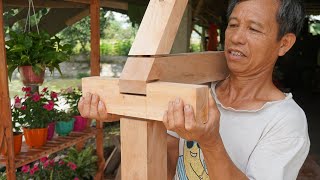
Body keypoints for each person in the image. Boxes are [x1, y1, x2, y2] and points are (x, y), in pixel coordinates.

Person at [78, 0, 310, 179]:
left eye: (254, 29)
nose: (237, 37)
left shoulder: (286, 121)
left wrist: (209, 141)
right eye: (233, 25)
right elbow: (167, 164)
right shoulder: (196, 92)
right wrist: (131, 111)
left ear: (284, 43)